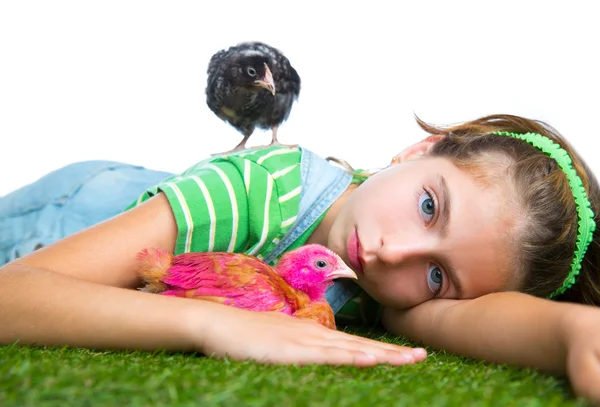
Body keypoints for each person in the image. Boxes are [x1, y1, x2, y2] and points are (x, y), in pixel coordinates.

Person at [1, 114, 600, 403]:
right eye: (427, 206)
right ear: (423, 148)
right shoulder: (262, 190)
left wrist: (575, 334)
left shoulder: (391, 284)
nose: (394, 254)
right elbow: (12, 296)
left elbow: (472, 320)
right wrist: (212, 323)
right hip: (68, 213)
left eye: (439, 274)